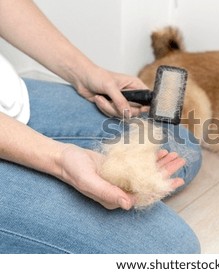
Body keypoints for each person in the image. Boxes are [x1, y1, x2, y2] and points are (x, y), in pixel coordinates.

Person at [0, 0, 202, 253]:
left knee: (180, 144)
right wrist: (59, 160)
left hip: (8, 99)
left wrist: (85, 73)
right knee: (170, 252)